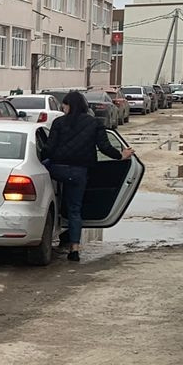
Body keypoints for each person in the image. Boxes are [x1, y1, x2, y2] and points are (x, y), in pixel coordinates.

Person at [43, 89, 132, 262]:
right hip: (79, 172)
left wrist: (42, 161)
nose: (63, 108)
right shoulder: (95, 123)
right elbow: (104, 147)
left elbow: (48, 148)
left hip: (57, 170)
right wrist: (121, 156)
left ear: (70, 106)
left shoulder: (58, 122)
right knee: (75, 209)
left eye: (64, 105)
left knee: (52, 191)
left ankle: (55, 217)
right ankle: (74, 250)